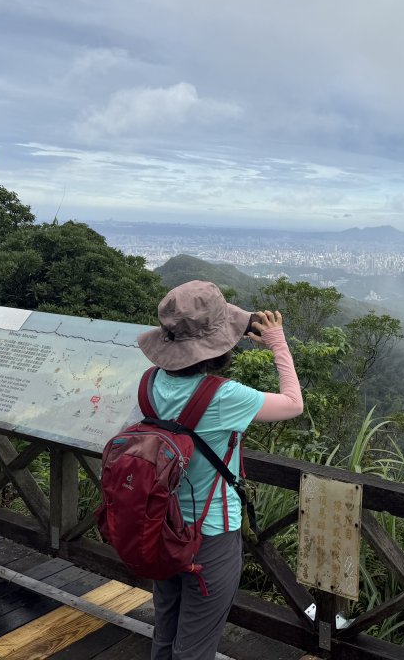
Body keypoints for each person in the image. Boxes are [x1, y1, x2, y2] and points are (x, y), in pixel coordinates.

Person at [135, 279, 304, 660]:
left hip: (162, 524)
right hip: (210, 536)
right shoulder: (223, 395)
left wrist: (236, 327)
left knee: (166, 630)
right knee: (195, 646)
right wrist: (277, 342)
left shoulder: (150, 382)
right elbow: (293, 403)